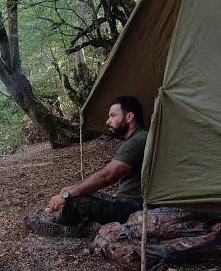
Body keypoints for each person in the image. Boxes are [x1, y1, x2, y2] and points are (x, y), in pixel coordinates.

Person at [25, 95, 148, 238]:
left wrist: (68, 194)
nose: (108, 121)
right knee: (79, 194)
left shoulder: (138, 141)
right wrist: (73, 188)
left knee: (79, 199)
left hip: (135, 208)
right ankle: (76, 227)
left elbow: (107, 176)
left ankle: (56, 226)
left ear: (129, 117)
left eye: (113, 115)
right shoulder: (139, 139)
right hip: (131, 204)